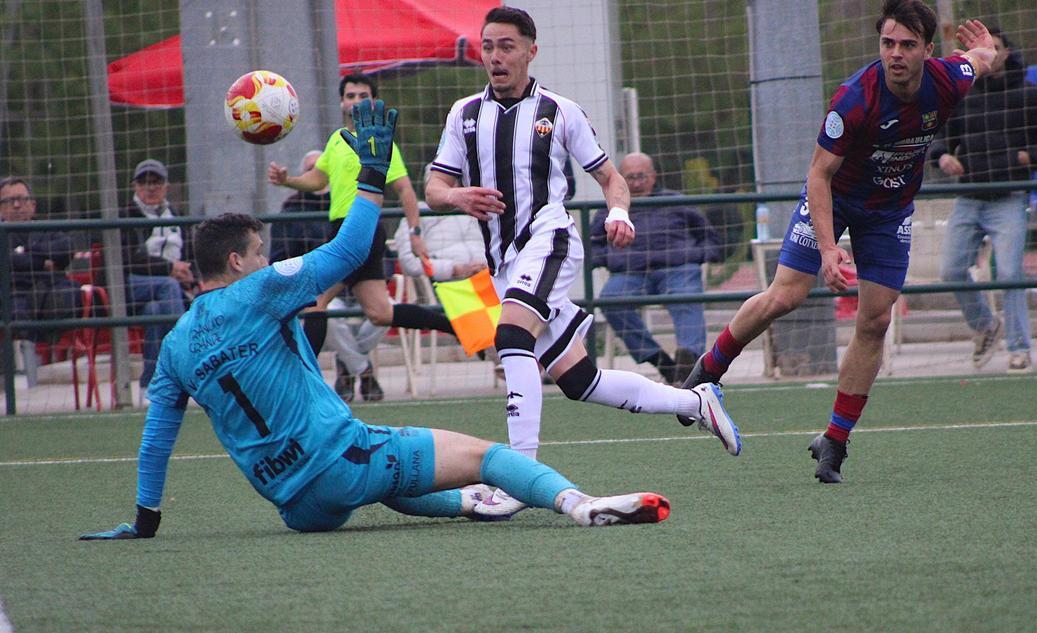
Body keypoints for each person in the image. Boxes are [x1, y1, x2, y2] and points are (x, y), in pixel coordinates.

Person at [78, 99, 671, 541]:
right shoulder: (259, 289)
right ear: (238, 262)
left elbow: (157, 437)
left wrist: (145, 519)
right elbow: (348, 249)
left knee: (391, 482)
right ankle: (577, 503)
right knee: (487, 456)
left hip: (295, 507)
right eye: (259, 253)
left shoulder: (180, 343)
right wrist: (370, 175)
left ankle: (471, 504)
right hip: (341, 461)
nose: (265, 259)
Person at [425, 7, 741, 519]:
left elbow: (611, 178)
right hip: (503, 263)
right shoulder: (463, 114)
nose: (496, 56)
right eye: (488, 46)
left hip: (549, 241)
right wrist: (459, 197)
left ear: (532, 50)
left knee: (510, 340)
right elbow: (434, 188)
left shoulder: (560, 110)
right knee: (579, 381)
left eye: (507, 46)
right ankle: (695, 401)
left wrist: (619, 212)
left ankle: (518, 480)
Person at [680, 0, 997, 483]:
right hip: (836, 199)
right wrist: (829, 249)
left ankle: (834, 440)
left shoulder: (949, 78)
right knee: (786, 296)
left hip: (889, 213)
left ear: (928, 51)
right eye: (888, 43)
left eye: (908, 45)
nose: (895, 54)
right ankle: (710, 369)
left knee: (875, 320)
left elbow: (977, 60)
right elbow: (818, 176)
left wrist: (986, 52)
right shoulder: (854, 99)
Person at [268, 73, 443, 400]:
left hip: (361, 231)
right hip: (340, 231)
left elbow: (405, 189)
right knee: (380, 312)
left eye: (363, 95)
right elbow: (317, 179)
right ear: (342, 102)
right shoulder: (336, 139)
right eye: (350, 95)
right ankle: (453, 325)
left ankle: (302, 381)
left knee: (316, 301)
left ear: (373, 102)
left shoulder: (379, 141)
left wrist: (416, 232)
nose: (356, 101)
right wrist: (288, 180)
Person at [930, 29, 1037, 374]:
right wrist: (943, 155)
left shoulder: (1029, 94)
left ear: (1005, 53)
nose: (987, 54)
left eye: (994, 48)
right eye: (979, 49)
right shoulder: (962, 93)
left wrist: (1029, 157)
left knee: (1009, 274)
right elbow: (940, 134)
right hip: (970, 194)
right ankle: (985, 326)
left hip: (1008, 197)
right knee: (950, 270)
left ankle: (1019, 349)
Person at [588, 152, 721, 384]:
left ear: (653, 176)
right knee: (610, 300)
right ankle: (660, 361)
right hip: (629, 272)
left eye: (642, 176)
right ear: (620, 178)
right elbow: (592, 246)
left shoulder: (677, 201)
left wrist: (697, 256)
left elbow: (710, 237)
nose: (637, 183)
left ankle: (689, 361)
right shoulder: (610, 209)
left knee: (687, 295)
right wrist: (608, 259)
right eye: (630, 177)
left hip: (678, 268)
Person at [120, 159, 192, 391]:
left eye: (156, 182)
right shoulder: (125, 216)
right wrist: (169, 269)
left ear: (166, 186)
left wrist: (191, 275)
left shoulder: (177, 216)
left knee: (155, 310)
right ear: (134, 187)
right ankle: (186, 361)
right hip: (129, 285)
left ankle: (150, 383)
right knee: (168, 286)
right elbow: (127, 259)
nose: (150, 188)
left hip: (168, 293)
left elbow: (192, 254)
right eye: (144, 183)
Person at [1, 177, 81, 344]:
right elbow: (7, 260)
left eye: (22, 199)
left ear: (33, 205)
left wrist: (28, 252)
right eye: (9, 201)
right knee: (17, 310)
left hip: (50, 289)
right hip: (14, 294)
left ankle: (48, 348)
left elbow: (67, 247)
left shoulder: (46, 228)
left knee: (69, 293)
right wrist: (43, 262)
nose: (16, 205)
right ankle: (29, 362)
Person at [269, 150, 330, 263]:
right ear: (303, 176)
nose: (317, 175)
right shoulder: (289, 214)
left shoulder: (347, 207)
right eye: (311, 170)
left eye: (323, 170)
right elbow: (279, 260)